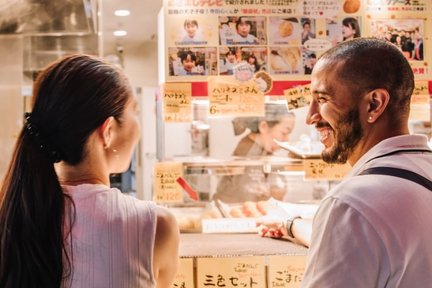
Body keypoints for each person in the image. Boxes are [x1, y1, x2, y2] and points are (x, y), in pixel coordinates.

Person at [259, 38, 432, 287]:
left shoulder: (351, 204)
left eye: (323, 99)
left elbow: (359, 223)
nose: (310, 117)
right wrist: (291, 225)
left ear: (374, 103)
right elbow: (377, 242)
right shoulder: (420, 171)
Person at [0, 54, 180, 288]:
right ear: (108, 131)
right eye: (134, 111)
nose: (139, 127)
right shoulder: (156, 226)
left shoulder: (15, 216)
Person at [213, 103, 296, 203]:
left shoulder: (264, 150)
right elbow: (247, 196)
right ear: (264, 127)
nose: (286, 140)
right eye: (284, 133)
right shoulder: (246, 152)